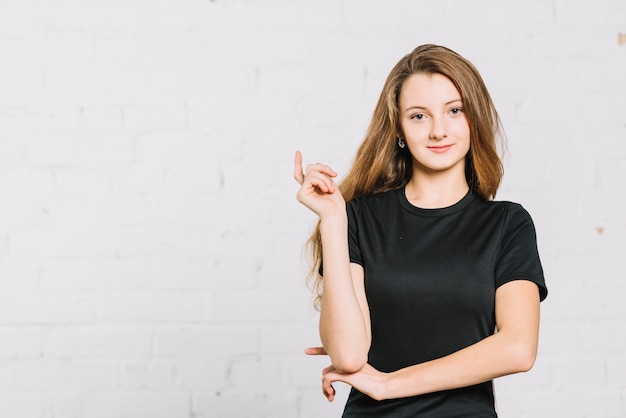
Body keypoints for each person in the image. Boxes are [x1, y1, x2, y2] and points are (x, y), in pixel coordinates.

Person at [293, 44, 548, 417]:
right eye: (418, 116)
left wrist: (388, 384)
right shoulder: (358, 218)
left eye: (454, 110)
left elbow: (518, 348)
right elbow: (348, 355)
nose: (438, 131)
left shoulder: (507, 225)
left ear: (473, 118)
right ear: (398, 127)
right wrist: (333, 220)